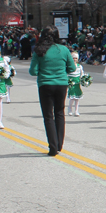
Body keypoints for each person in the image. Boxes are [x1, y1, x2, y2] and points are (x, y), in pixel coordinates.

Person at [29, 26, 76, 156]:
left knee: (48, 115)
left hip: (45, 84)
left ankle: (53, 147)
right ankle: (60, 144)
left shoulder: (39, 51)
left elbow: (33, 71)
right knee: (60, 112)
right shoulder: (64, 49)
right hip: (61, 83)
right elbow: (72, 68)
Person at [67, 52, 84, 117]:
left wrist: (83, 79)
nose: (74, 59)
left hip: (77, 83)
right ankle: (70, 109)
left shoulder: (79, 66)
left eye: (76, 58)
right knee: (72, 98)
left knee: (77, 98)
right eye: (73, 58)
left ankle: (76, 111)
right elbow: (67, 74)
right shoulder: (69, 66)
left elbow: (81, 74)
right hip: (71, 83)